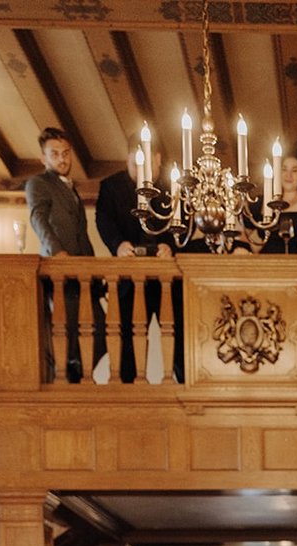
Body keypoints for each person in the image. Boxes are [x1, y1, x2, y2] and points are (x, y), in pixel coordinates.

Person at [96, 131, 182, 383]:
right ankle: (127, 390)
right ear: (127, 160)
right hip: (128, 281)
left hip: (167, 281)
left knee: (178, 338)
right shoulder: (111, 187)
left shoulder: (172, 186)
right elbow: (104, 221)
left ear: (157, 159)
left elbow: (182, 221)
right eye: (135, 164)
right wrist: (118, 245)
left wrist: (170, 247)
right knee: (126, 341)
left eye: (145, 164)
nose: (140, 170)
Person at [25, 127, 105, 383]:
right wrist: (56, 252)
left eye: (66, 153)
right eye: (55, 154)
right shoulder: (38, 183)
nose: (62, 159)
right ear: (44, 158)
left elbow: (82, 233)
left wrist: (93, 268)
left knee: (101, 330)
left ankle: (77, 370)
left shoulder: (72, 190)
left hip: (84, 274)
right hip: (61, 272)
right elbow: (38, 218)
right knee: (67, 332)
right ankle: (69, 375)